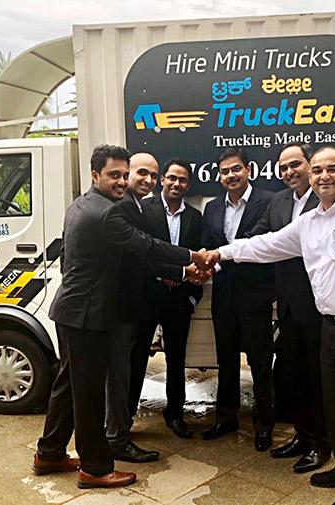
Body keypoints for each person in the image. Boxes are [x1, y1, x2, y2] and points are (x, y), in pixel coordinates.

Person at [204, 145, 335, 505]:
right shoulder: (309, 222)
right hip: (328, 325)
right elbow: (267, 245)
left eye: (332, 169)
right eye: (317, 170)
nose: (323, 176)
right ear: (311, 177)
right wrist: (220, 253)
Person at [33, 144, 210, 489]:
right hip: (86, 315)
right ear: (95, 175)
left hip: (72, 311)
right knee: (87, 395)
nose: (121, 181)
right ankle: (95, 468)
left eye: (124, 174)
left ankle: (49, 453)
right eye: (114, 174)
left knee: (67, 387)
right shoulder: (106, 213)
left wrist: (183, 270)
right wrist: (193, 257)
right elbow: (146, 246)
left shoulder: (83, 204)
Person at [246, 142, 330, 473]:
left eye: (295, 164)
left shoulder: (326, 199)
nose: (289, 172)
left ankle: (322, 444)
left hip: (320, 306)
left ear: (310, 165)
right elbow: (260, 238)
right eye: (283, 167)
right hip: (288, 306)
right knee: (294, 376)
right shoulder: (278, 202)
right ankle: (302, 436)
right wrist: (220, 255)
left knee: (318, 379)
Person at [105, 152, 183, 463]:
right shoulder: (124, 207)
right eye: (142, 173)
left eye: (152, 174)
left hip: (159, 303)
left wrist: (184, 279)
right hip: (129, 305)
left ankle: (119, 432)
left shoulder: (133, 205)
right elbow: (146, 250)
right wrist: (187, 264)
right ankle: (117, 434)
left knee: (131, 369)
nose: (147, 180)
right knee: (124, 370)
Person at [201, 147, 276, 451]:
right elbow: (208, 246)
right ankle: (226, 417)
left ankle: (264, 424)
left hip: (255, 295)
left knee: (260, 362)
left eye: (235, 169)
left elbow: (265, 244)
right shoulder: (211, 208)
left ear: (248, 170)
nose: (230, 175)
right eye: (224, 171)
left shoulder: (268, 201)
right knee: (226, 360)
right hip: (223, 296)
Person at [130, 158, 204, 439]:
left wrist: (191, 296)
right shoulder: (143, 210)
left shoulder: (195, 217)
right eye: (172, 178)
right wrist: (171, 273)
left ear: (188, 185)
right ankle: (126, 415)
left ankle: (175, 414)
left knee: (176, 359)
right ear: (162, 180)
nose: (176, 183)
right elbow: (141, 254)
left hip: (179, 299)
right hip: (147, 296)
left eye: (182, 180)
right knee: (136, 358)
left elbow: (198, 256)